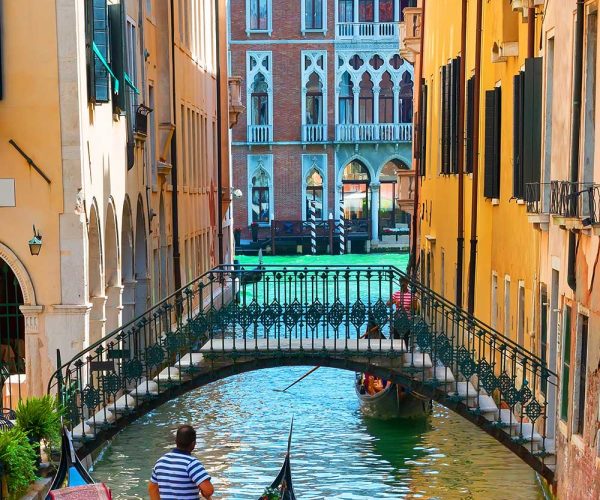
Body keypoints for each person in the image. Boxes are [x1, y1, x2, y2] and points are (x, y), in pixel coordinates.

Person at [149, 425, 214, 500]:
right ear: (193, 444)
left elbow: (152, 488)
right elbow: (209, 490)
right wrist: (205, 494)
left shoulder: (160, 461)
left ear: (176, 441)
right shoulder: (192, 463)